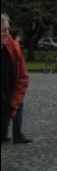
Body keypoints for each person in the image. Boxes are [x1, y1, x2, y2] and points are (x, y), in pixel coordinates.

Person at [1, 14, 30, 145]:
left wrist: (15, 102)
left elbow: (22, 78)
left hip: (6, 102)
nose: (7, 33)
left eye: (7, 29)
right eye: (3, 30)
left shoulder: (14, 48)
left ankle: (16, 134)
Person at [9, 29, 32, 144]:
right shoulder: (14, 47)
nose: (20, 39)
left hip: (12, 83)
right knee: (17, 105)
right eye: (18, 37)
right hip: (12, 84)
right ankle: (17, 134)